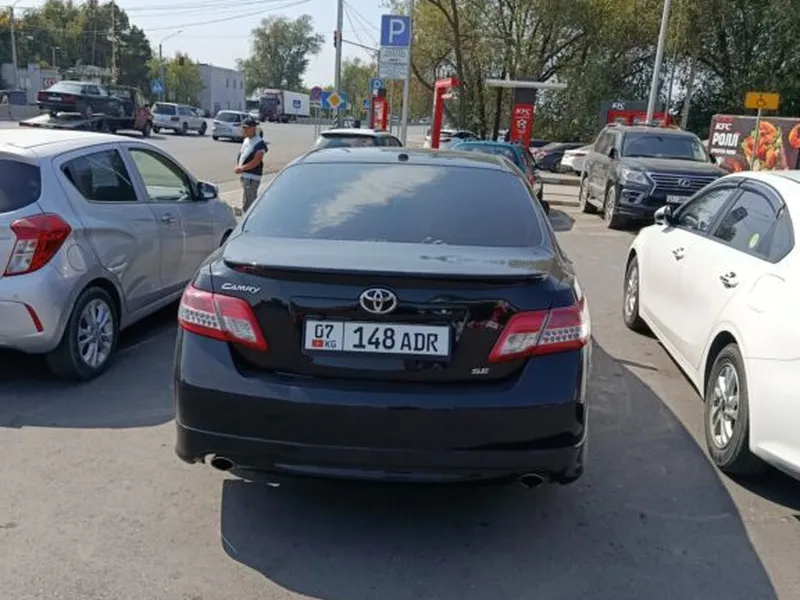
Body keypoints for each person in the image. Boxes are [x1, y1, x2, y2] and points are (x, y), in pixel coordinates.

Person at [233, 117, 268, 213]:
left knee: (250, 201)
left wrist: (242, 168)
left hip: (252, 177)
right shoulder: (246, 140)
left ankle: (249, 217)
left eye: (246, 128)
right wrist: (237, 165)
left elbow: (257, 161)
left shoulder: (259, 143)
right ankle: (244, 213)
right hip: (245, 175)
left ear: (253, 128)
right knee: (246, 198)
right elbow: (242, 155)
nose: (244, 130)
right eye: (243, 128)